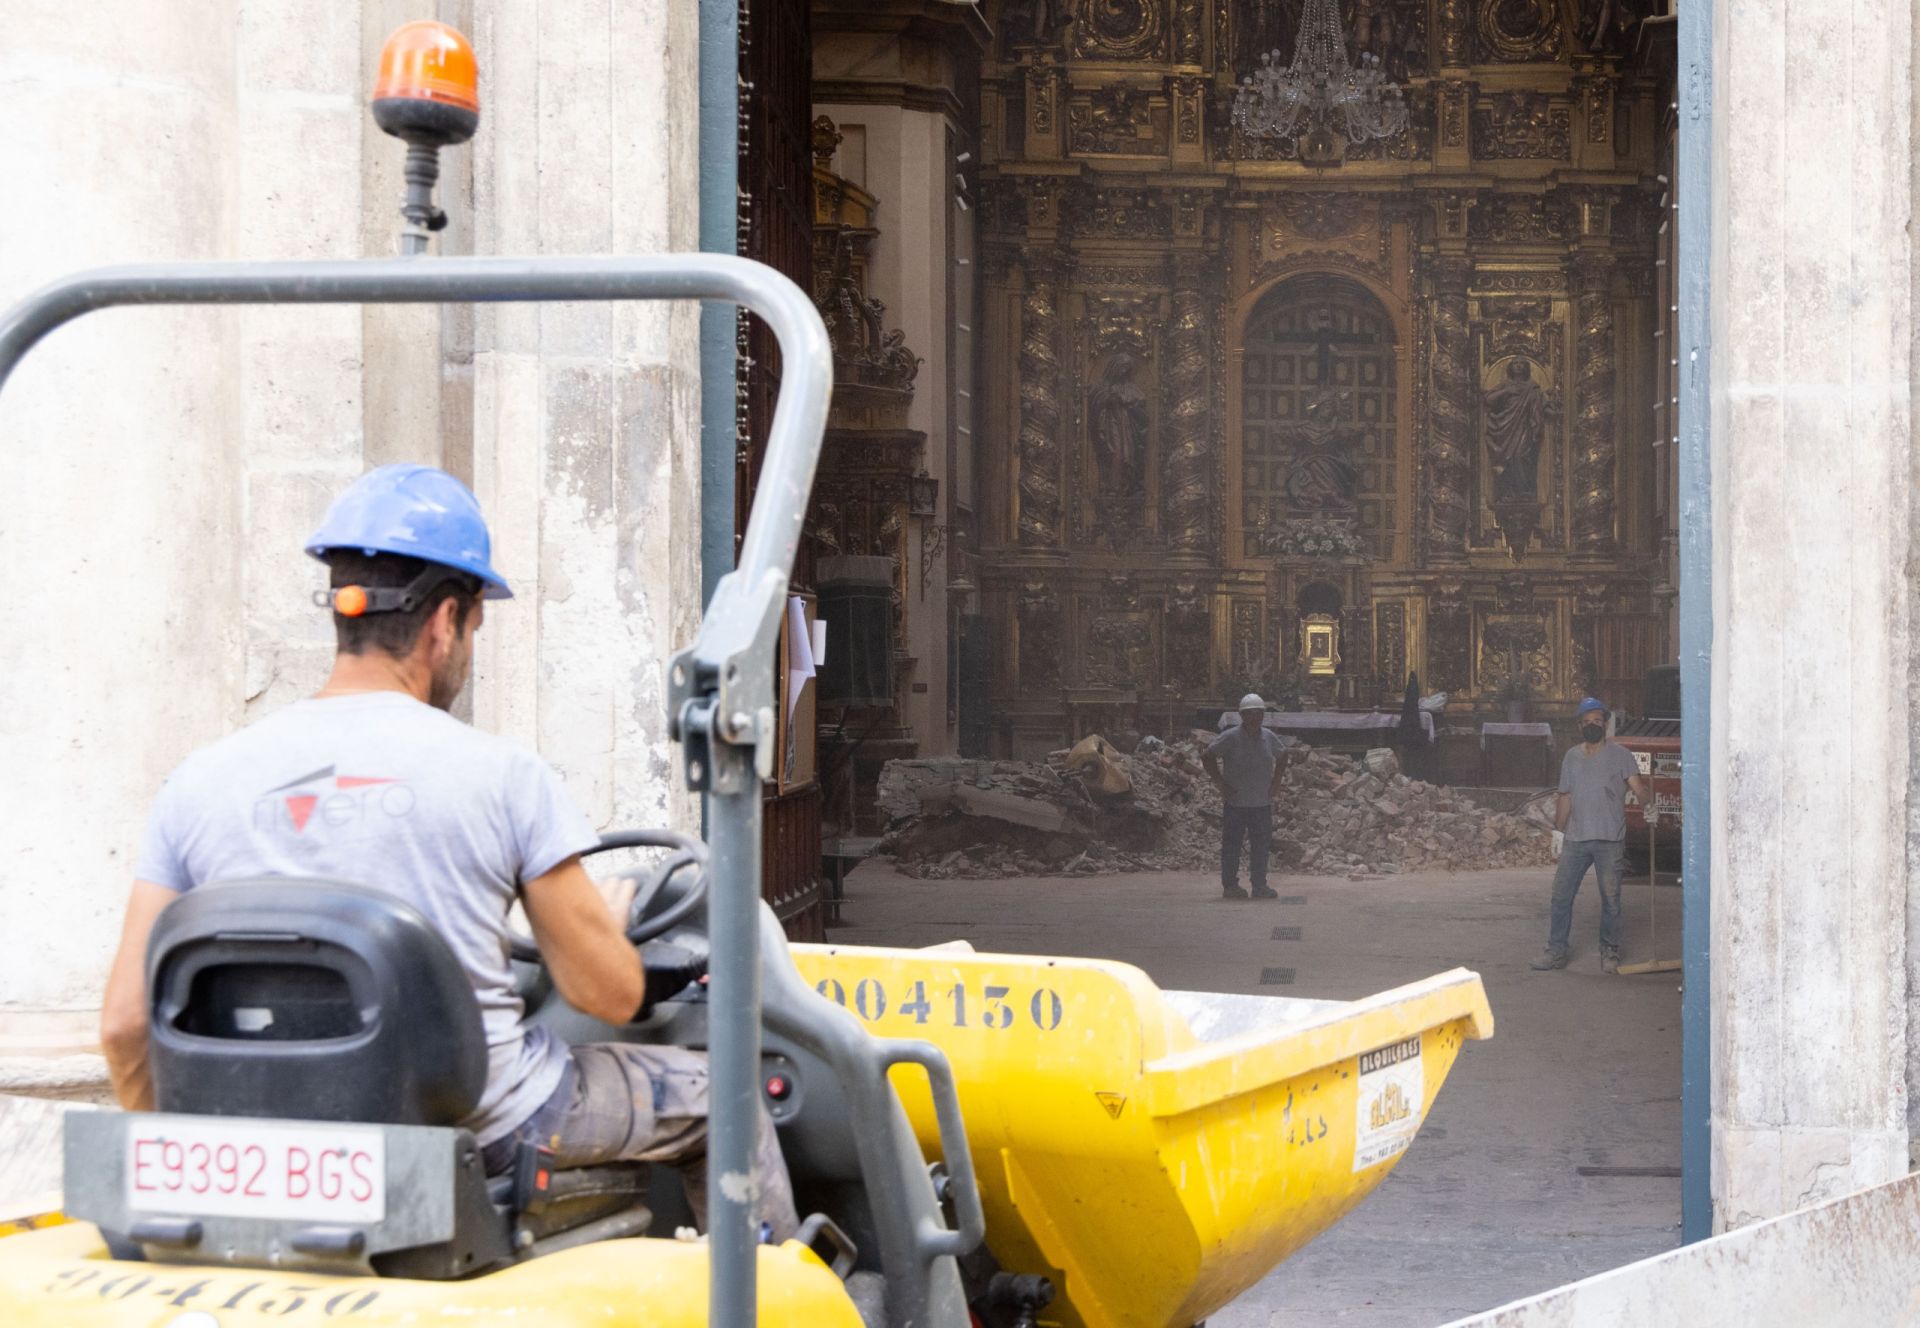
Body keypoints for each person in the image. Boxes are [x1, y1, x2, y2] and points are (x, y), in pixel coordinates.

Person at [98, 464, 798, 1239]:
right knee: (724, 1095)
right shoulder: (504, 778)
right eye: (472, 630)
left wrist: (193, 1155)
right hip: (485, 1123)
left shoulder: (197, 782)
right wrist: (606, 922)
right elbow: (604, 995)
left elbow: (127, 1025)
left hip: (261, 1134)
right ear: (445, 622)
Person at [1531, 697, 1653, 975]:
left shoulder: (1621, 756)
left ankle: (1609, 950)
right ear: (1579, 726)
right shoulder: (1572, 757)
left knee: (1611, 898)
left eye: (1597, 722)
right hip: (1576, 839)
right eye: (1586, 723)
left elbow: (1639, 788)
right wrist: (1558, 831)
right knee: (1561, 896)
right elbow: (1565, 796)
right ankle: (1556, 951)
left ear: (1605, 724)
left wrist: (1650, 806)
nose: (1592, 726)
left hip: (1610, 839)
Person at [1202, 694, 1289, 901]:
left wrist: (1276, 781)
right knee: (1232, 845)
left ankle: (1259, 885)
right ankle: (1230, 886)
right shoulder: (1230, 737)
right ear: (1242, 716)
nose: (1254, 718)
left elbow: (1283, 755)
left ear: (1263, 716)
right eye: (1249, 714)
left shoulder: (1268, 737)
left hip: (1261, 802)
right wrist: (1220, 783)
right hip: (1236, 803)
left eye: (1258, 714)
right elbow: (1207, 755)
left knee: (1260, 846)